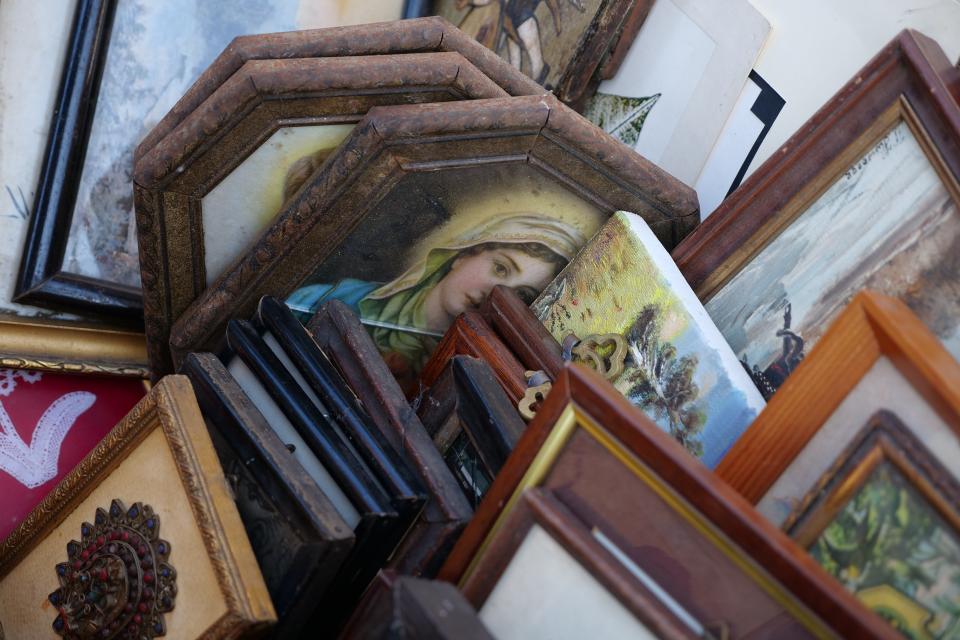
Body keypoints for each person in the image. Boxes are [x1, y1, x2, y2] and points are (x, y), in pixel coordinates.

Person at [287, 214, 585, 392]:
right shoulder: (330, 300)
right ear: (464, 253)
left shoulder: (465, 380)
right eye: (500, 268)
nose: (494, 294)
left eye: (520, 295)